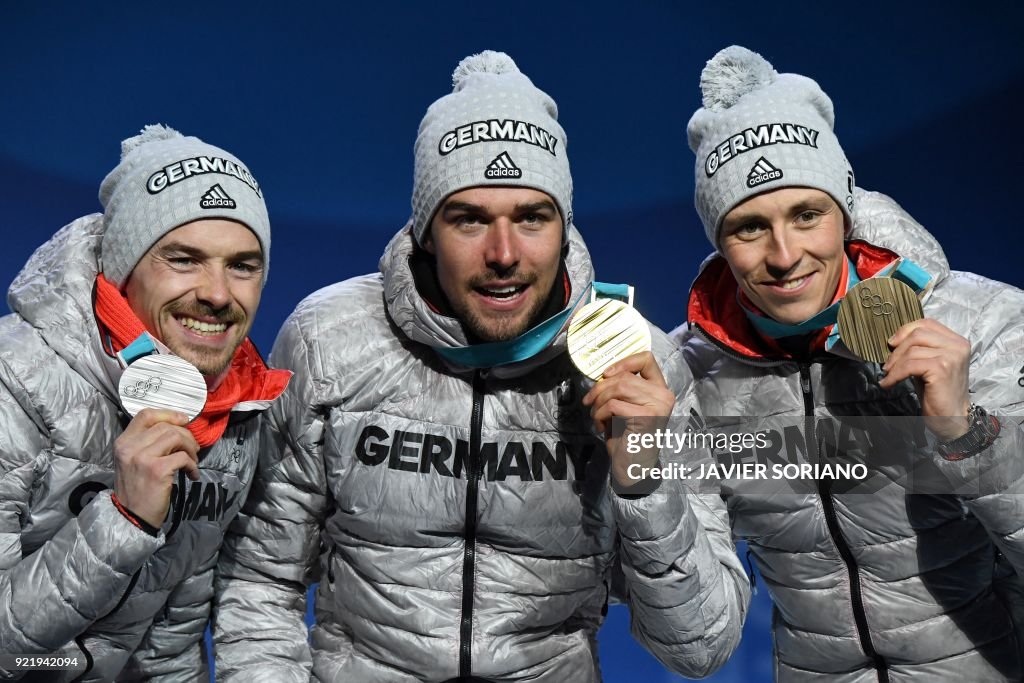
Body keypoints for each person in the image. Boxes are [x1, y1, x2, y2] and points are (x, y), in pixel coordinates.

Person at [213, 51, 748, 682]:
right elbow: (259, 580)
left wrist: (644, 482)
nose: (503, 254)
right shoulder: (328, 339)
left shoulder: (642, 365)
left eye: (531, 218)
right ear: (425, 231)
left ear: (563, 225)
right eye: (469, 219)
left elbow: (698, 649)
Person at [677, 46, 1024, 681]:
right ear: (717, 240)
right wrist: (640, 483)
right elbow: (695, 646)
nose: (785, 255)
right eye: (749, 228)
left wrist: (967, 433)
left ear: (844, 211)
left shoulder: (988, 320)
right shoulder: (688, 376)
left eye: (806, 215)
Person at [0, 125, 290, 681]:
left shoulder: (236, 411)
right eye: (184, 259)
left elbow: (169, 642)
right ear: (124, 267)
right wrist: (122, 520)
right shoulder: (14, 382)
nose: (217, 293)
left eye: (243, 265)